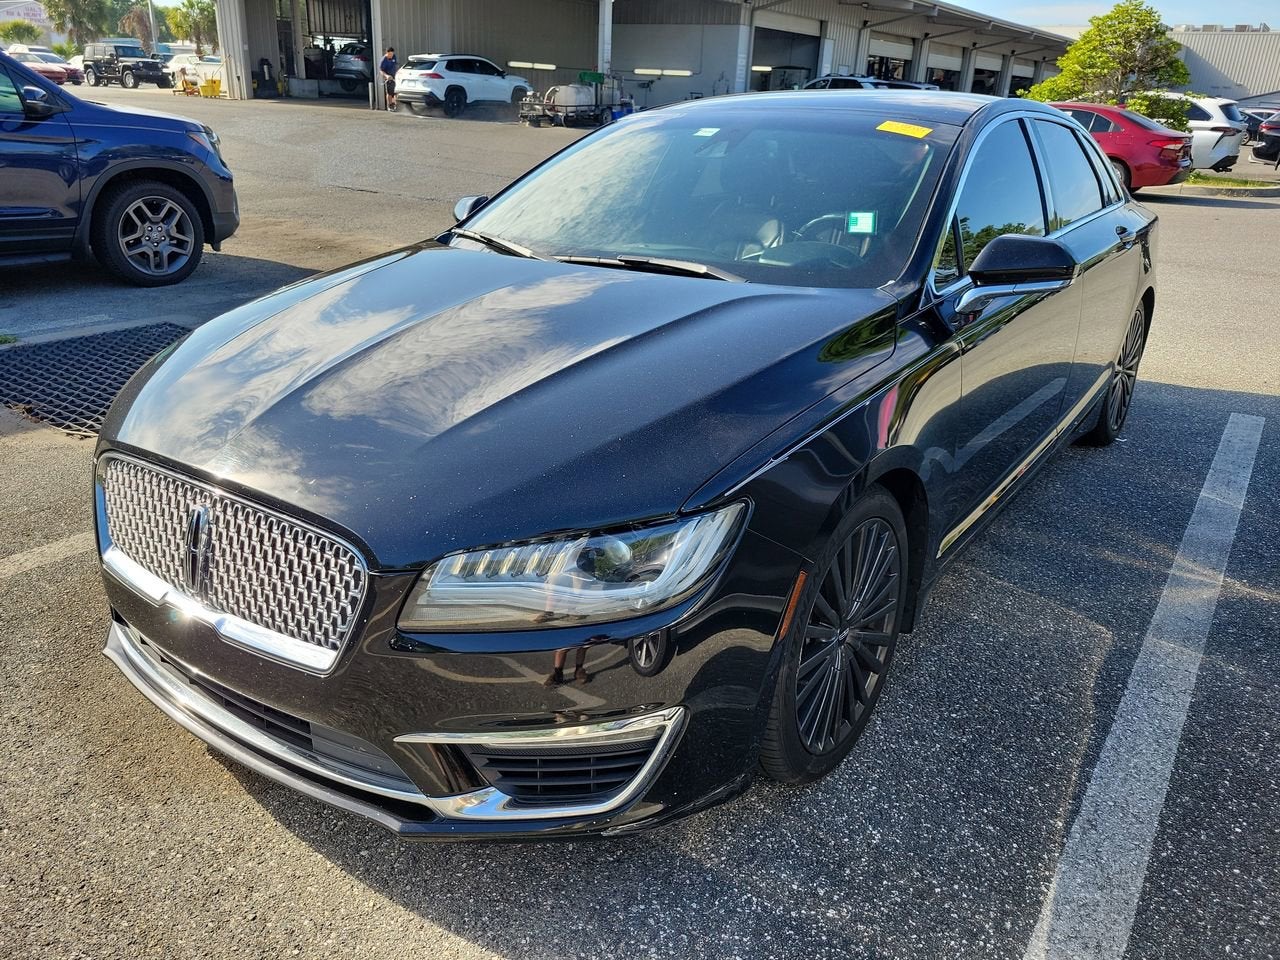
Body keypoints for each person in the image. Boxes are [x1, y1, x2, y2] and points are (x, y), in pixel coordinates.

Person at [379, 46, 398, 111]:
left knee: (395, 92)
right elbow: (381, 70)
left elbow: (395, 65)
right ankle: (389, 105)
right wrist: (387, 76)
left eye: (392, 54)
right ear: (387, 53)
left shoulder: (394, 57)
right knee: (389, 92)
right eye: (390, 54)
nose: (391, 55)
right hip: (388, 78)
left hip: (394, 76)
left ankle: (395, 104)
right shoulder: (384, 60)